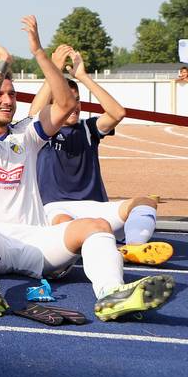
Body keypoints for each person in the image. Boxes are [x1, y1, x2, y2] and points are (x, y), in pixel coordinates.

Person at [0, 17, 174, 321]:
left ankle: (112, 295)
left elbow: (66, 104)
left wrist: (39, 53)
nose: (7, 100)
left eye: (12, 94)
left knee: (97, 225)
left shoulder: (25, 134)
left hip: (36, 242)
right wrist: (2, 62)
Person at [29, 47, 172, 265]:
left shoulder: (88, 128)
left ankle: (132, 248)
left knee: (145, 203)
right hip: (56, 209)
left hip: (95, 208)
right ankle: (101, 246)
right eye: (67, 100)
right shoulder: (41, 133)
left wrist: (83, 77)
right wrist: (54, 70)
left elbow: (118, 113)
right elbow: (33, 114)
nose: (74, 106)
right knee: (67, 224)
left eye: (77, 100)